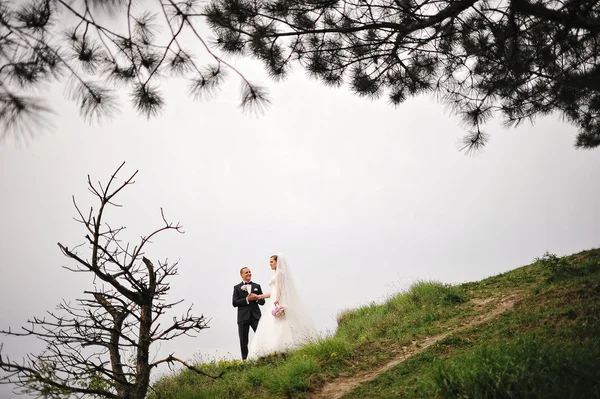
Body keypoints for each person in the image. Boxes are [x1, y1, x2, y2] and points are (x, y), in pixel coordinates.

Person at [247, 254, 318, 360]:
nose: (270, 264)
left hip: (278, 301)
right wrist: (259, 296)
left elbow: (279, 288)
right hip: (274, 300)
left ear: (277, 262)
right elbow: (273, 292)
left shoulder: (280, 273)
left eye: (272, 262)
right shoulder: (276, 274)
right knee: (272, 324)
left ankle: (283, 346)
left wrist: (277, 299)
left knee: (282, 322)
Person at [232, 266, 266, 360]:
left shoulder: (257, 286)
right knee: (243, 340)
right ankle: (245, 360)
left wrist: (257, 298)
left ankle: (264, 356)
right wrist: (247, 299)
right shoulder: (237, 288)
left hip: (255, 316)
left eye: (249, 272)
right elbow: (234, 303)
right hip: (243, 317)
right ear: (241, 275)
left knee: (261, 336)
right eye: (246, 272)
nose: (248, 274)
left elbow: (262, 302)